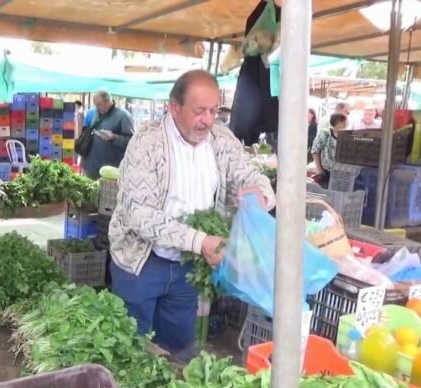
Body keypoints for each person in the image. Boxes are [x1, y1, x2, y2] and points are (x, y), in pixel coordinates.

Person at [107, 70, 275, 363]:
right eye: (199, 111)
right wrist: (200, 241)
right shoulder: (147, 143)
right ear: (174, 107)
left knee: (177, 351)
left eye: (214, 110)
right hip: (141, 262)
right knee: (129, 350)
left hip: (188, 266)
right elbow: (139, 214)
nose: (208, 120)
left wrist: (260, 192)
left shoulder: (222, 139)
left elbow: (248, 174)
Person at [81, 89, 134, 180]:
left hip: (110, 171)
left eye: (99, 105)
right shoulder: (96, 113)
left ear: (108, 101)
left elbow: (132, 142)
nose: (97, 108)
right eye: (95, 105)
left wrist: (114, 137)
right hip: (92, 167)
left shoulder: (123, 116)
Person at [311, 113, 347, 188]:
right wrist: (319, 169)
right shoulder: (325, 133)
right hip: (326, 171)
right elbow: (315, 150)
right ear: (337, 122)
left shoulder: (345, 135)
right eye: (343, 122)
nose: (345, 124)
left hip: (341, 172)